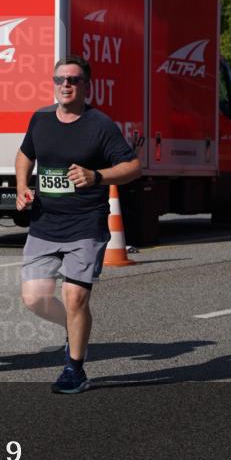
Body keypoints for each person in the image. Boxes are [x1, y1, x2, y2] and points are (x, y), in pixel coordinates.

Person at [15, 55, 141, 394]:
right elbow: (25, 154)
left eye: (73, 80)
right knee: (33, 298)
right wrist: (22, 187)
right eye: (60, 80)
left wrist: (96, 176)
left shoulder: (100, 125)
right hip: (44, 222)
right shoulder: (41, 119)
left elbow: (132, 167)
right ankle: (75, 329)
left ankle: (75, 369)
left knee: (74, 298)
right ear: (53, 84)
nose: (65, 85)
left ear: (86, 86)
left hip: (85, 223)